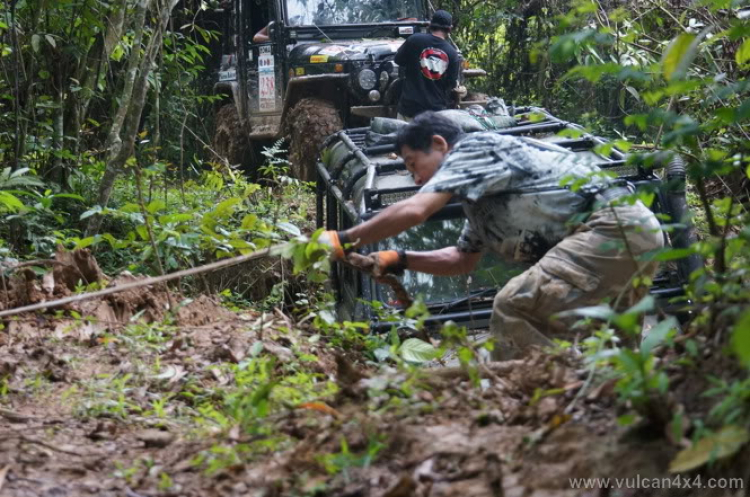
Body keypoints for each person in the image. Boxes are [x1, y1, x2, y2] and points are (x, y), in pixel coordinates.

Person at [319, 113, 664, 360]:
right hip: (627, 237)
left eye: (413, 164)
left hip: (612, 228)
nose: (415, 179)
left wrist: (347, 238)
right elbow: (462, 259)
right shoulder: (482, 199)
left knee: (515, 305)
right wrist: (401, 259)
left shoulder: (475, 148)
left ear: (440, 145)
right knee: (610, 349)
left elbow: (415, 211)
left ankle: (529, 404)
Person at [394, 10, 460, 121]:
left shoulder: (414, 40)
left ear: (430, 24)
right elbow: (451, 84)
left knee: (404, 138)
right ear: (450, 29)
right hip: (434, 114)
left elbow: (398, 60)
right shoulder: (452, 53)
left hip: (409, 109)